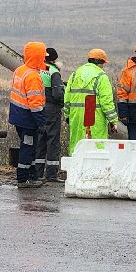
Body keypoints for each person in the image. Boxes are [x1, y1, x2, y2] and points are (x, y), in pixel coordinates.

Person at [8, 41, 48, 188]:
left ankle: (32, 176)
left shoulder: (20, 70)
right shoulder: (33, 76)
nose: (44, 59)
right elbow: (35, 103)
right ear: (38, 57)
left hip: (18, 116)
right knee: (28, 147)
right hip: (28, 119)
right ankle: (22, 179)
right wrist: (42, 122)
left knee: (29, 147)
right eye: (43, 56)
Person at [64, 48, 118, 153]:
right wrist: (113, 120)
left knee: (77, 146)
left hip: (76, 117)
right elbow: (106, 102)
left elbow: (67, 98)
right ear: (101, 62)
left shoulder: (75, 74)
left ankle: (75, 167)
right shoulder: (101, 76)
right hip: (94, 118)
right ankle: (96, 168)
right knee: (96, 147)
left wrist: (67, 115)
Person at [33, 46, 66, 184]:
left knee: (40, 140)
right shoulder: (53, 72)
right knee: (52, 141)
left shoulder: (36, 70)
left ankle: (38, 172)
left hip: (38, 108)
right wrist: (61, 104)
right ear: (54, 59)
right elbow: (58, 94)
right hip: (52, 109)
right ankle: (51, 174)